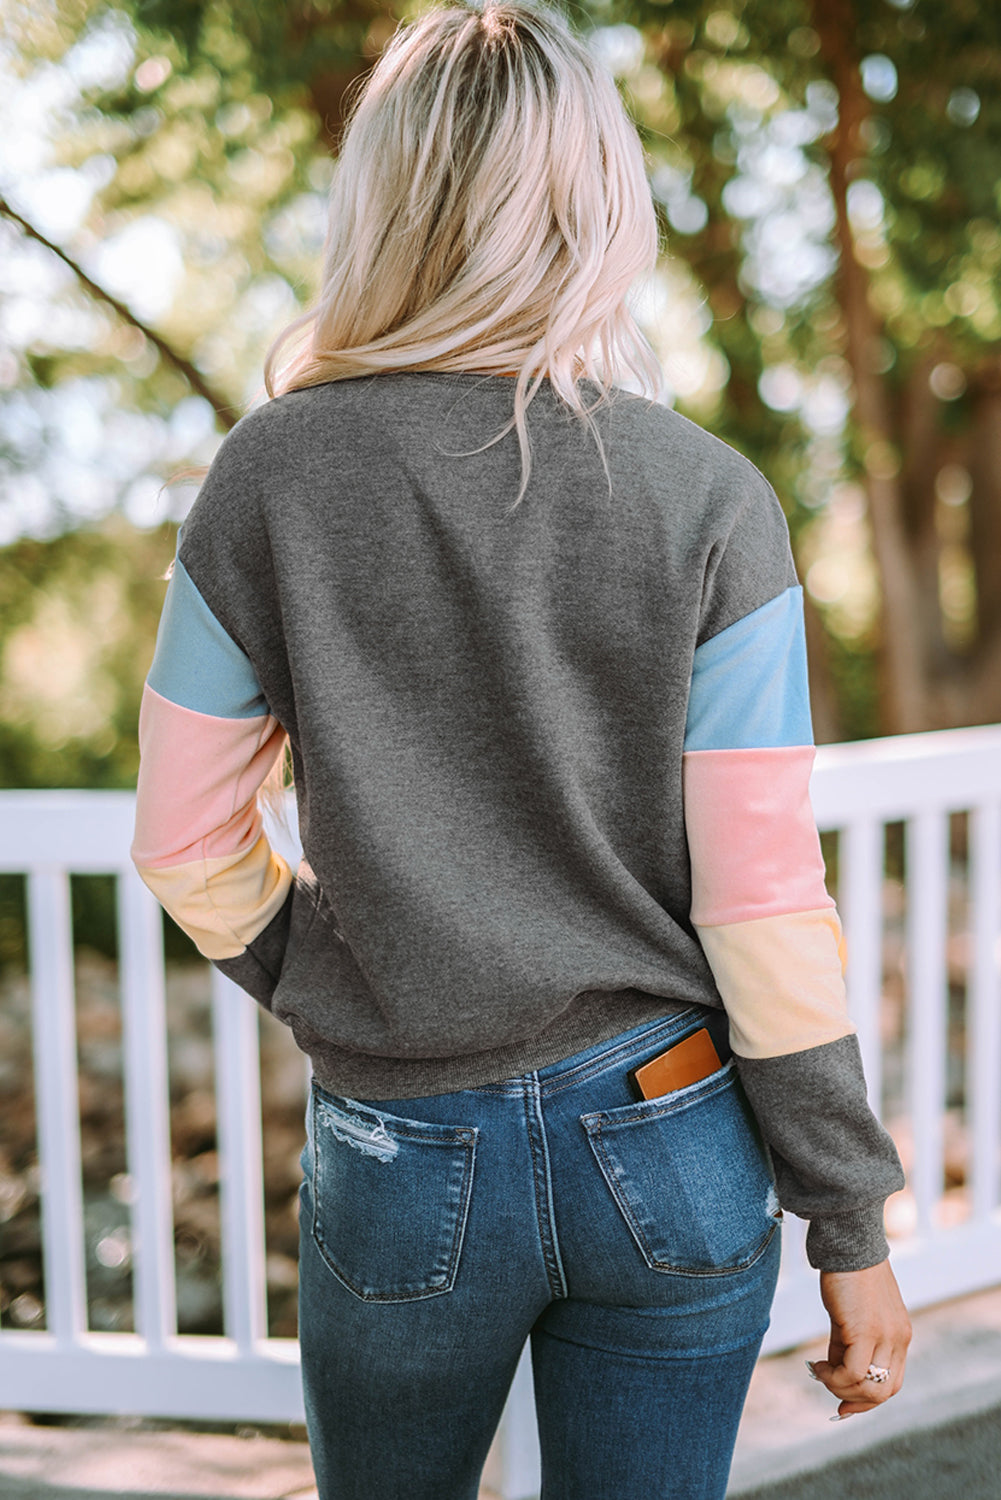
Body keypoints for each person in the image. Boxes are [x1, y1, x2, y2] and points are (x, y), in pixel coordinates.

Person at [131, 3, 911, 1496]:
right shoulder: (709, 497)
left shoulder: (268, 478)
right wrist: (848, 1217)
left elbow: (183, 837)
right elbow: (758, 903)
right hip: (673, 1133)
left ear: (383, 202)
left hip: (401, 1147)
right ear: (598, 206)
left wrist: (318, 971)